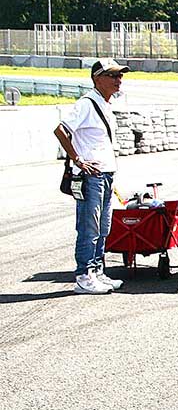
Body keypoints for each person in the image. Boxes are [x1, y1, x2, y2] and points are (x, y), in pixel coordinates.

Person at [53, 58, 128, 295]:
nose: (118, 80)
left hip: (105, 172)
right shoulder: (87, 103)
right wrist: (78, 159)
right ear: (97, 78)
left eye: (120, 75)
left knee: (103, 227)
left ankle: (97, 271)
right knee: (89, 227)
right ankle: (84, 276)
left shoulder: (105, 103)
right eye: (112, 75)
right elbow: (60, 130)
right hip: (90, 176)